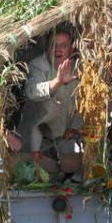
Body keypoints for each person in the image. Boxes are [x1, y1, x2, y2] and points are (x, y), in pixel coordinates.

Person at [16, 29, 83, 157]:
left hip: (63, 141)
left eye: (63, 45)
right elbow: (32, 91)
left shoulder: (79, 69)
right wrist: (57, 82)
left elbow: (84, 103)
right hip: (35, 141)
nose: (58, 49)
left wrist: (75, 127)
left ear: (71, 49)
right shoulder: (38, 65)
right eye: (54, 45)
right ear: (48, 48)